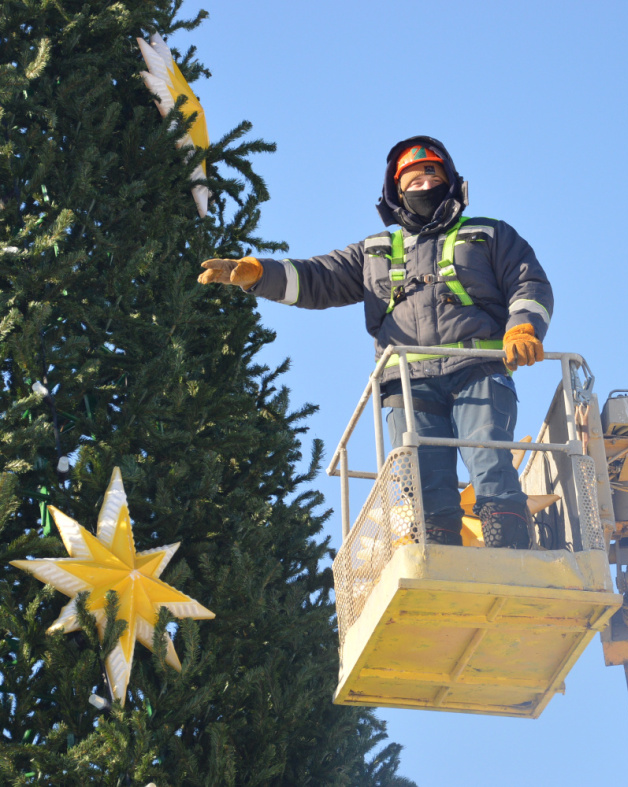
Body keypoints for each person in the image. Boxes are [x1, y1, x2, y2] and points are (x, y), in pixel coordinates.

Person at [198, 136, 553, 548]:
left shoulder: (490, 234)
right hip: (407, 383)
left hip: (478, 369)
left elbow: (529, 283)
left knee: (490, 460)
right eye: (411, 175)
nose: (422, 179)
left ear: (450, 180)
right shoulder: (374, 252)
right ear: (396, 190)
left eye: (431, 171)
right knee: (422, 479)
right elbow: (318, 277)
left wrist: (523, 328)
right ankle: (437, 562)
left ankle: (511, 554)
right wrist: (260, 273)